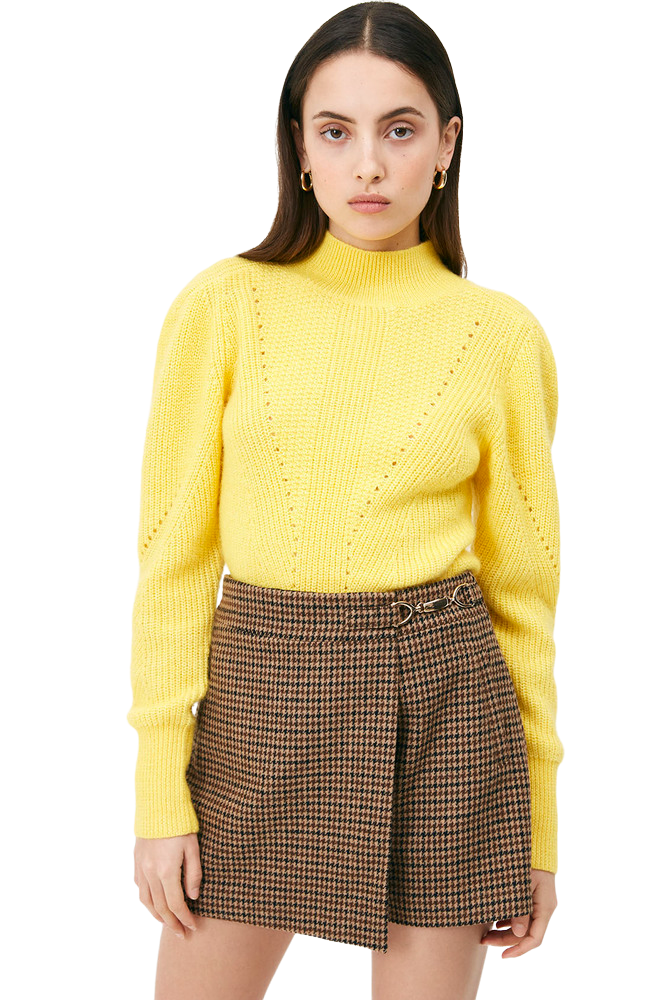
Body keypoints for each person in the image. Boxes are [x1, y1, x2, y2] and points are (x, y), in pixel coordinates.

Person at [127, 3, 564, 998]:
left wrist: (537, 825)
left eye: (399, 129)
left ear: (446, 145)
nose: (368, 164)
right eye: (335, 131)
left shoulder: (500, 336)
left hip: (446, 707)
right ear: (298, 148)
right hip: (260, 705)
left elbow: (524, 596)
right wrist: (160, 794)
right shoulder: (224, 306)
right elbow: (174, 561)